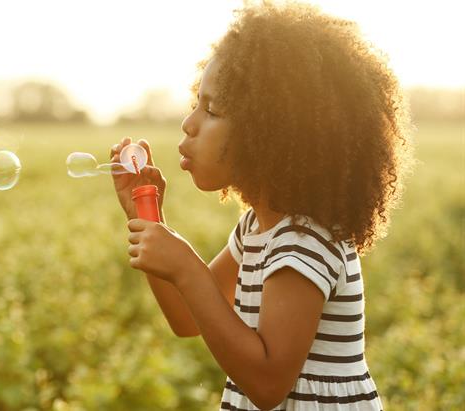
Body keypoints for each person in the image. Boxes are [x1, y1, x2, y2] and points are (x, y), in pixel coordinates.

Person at [109, 2, 412, 409]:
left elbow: (268, 385)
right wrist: (147, 215)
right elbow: (185, 317)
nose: (189, 122)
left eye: (212, 110)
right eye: (196, 103)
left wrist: (185, 264)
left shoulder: (304, 239)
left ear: (272, 133)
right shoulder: (257, 228)